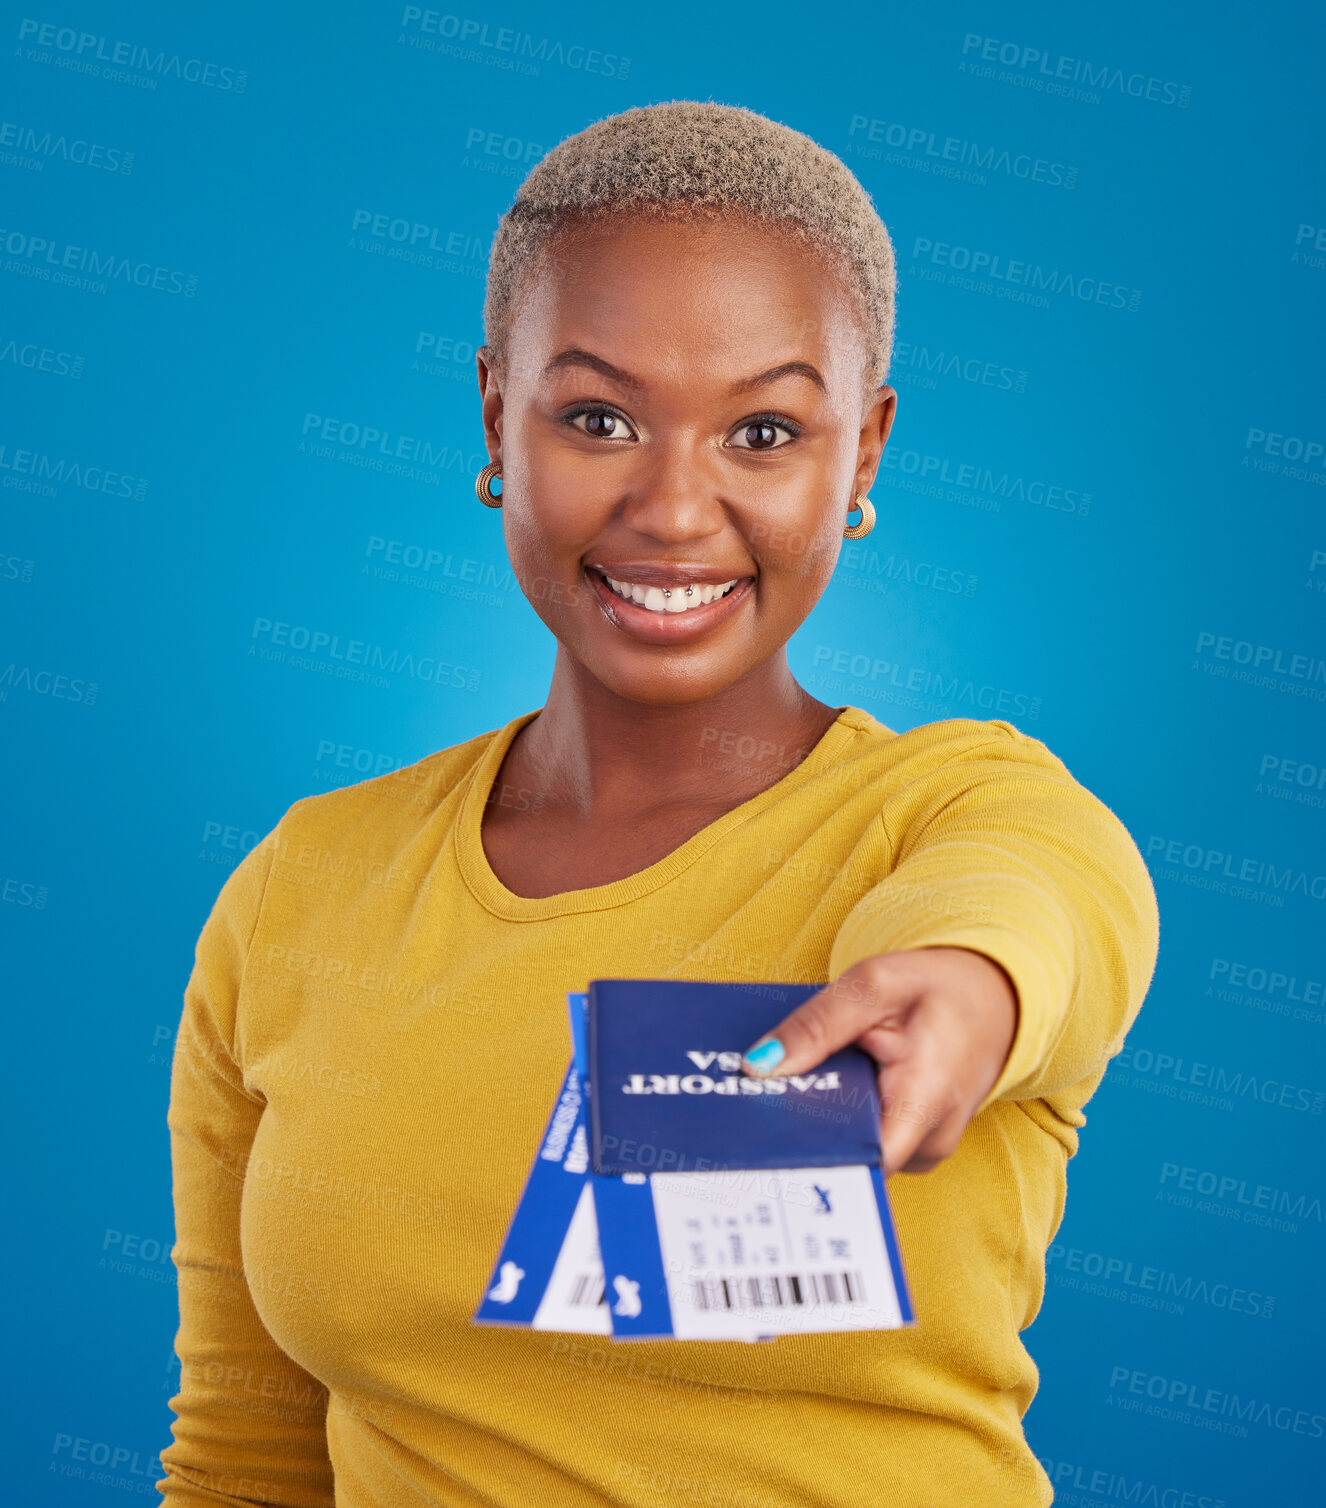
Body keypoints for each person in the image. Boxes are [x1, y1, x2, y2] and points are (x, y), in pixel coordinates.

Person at [159, 102, 1159, 1507]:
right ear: (494, 417)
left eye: (761, 429)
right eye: (597, 418)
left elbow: (1043, 898)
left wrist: (967, 983)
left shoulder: (951, 812)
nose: (675, 509)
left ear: (859, 457)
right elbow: (246, 1453)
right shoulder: (304, 889)